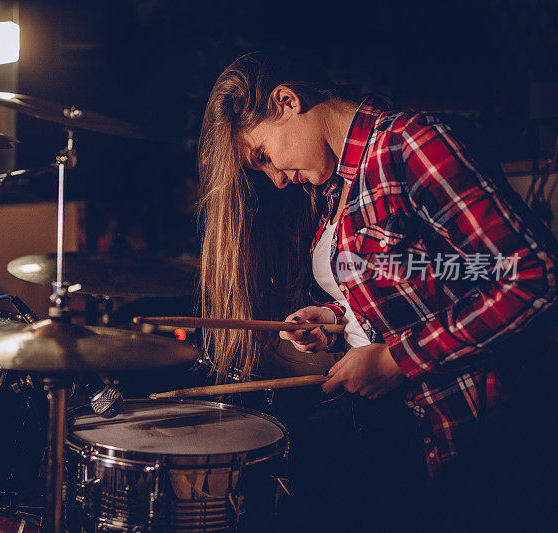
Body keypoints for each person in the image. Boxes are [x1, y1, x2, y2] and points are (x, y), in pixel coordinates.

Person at [197, 51, 558, 529]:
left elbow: (532, 276)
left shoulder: (412, 144)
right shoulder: (333, 185)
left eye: (265, 156)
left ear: (286, 102)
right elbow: (418, 280)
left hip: (468, 429)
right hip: (391, 420)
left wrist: (397, 359)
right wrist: (333, 318)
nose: (276, 180)